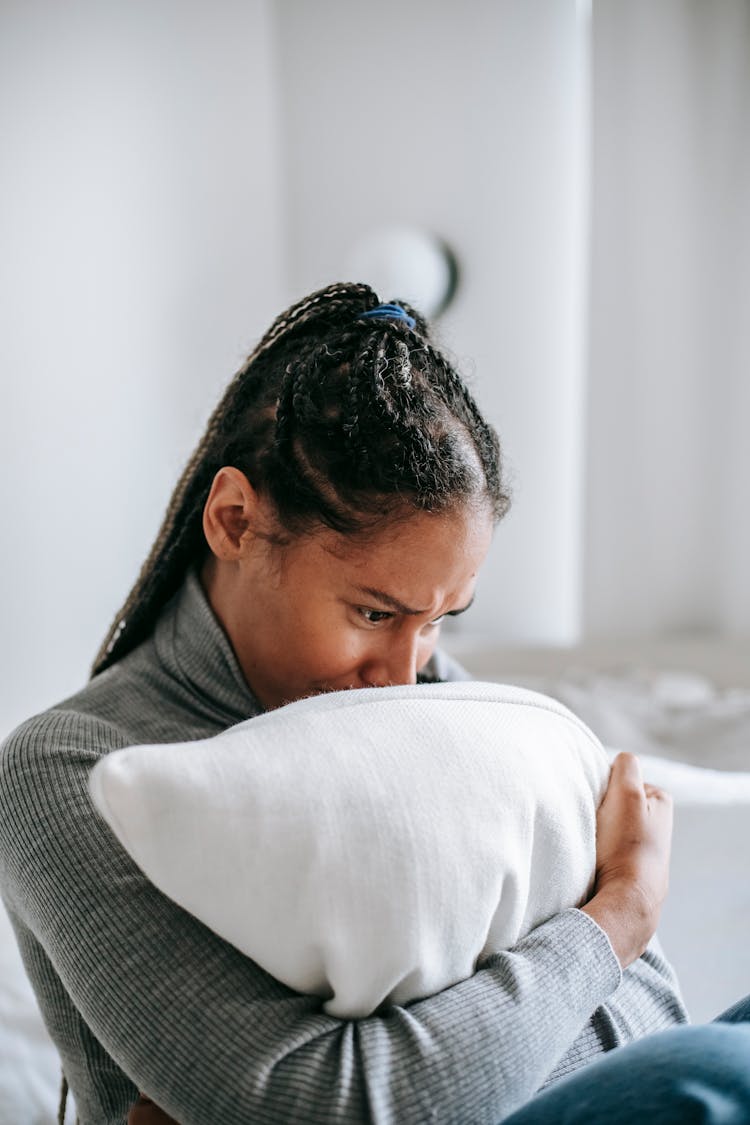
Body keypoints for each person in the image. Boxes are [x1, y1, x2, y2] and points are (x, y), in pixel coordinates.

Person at [0, 281, 747, 1125]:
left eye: (437, 622)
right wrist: (614, 917)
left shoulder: (444, 698)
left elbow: (645, 1012)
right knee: (718, 1073)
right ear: (236, 520)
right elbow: (328, 1107)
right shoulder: (69, 766)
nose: (404, 674)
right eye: (374, 613)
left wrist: (450, 1044)